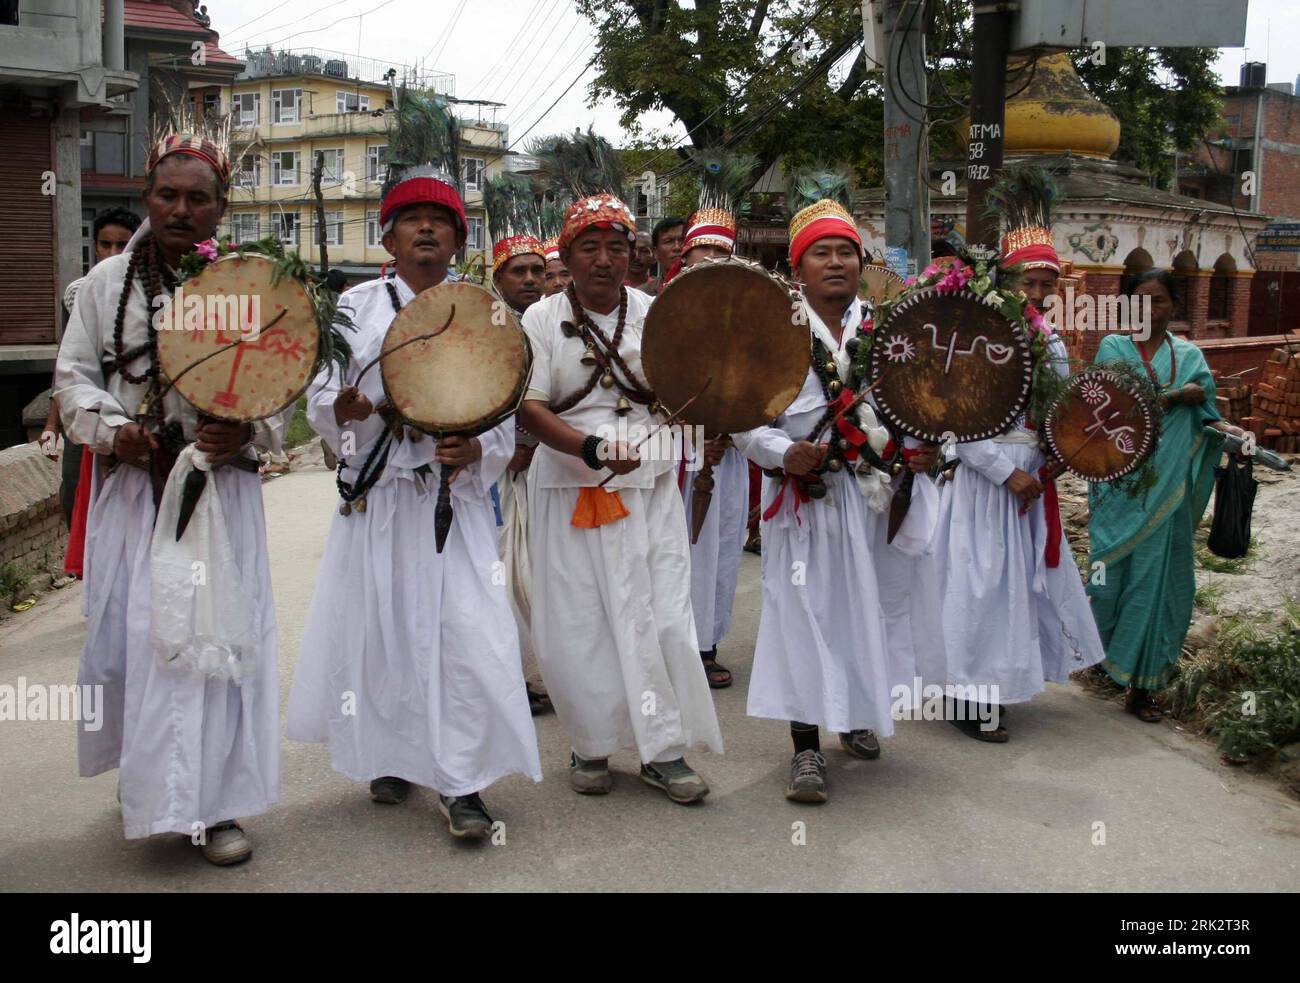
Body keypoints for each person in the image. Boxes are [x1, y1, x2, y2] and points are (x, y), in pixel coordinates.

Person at [287, 90, 541, 841]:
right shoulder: (356, 307)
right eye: (412, 220)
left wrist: (477, 450)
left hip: (453, 504)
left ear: (457, 239)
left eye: (441, 221)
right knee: (385, 633)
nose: (426, 230)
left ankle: (463, 782)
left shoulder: (485, 311)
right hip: (380, 503)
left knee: (468, 633)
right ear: (390, 234)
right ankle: (395, 752)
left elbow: (505, 404)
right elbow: (322, 400)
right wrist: (350, 414)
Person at [54, 127, 281, 865]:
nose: (181, 209)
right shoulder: (102, 288)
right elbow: (73, 381)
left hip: (221, 496)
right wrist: (113, 430)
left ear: (221, 208)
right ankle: (155, 786)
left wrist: (245, 432)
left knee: (217, 640)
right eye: (167, 195)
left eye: (198, 198)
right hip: (134, 494)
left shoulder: (250, 288)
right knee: (140, 643)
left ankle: (214, 806)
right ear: (148, 196)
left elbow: (280, 385)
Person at [517, 190, 722, 804]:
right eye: (589, 247)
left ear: (631, 254)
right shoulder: (539, 319)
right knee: (581, 627)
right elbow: (528, 407)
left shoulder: (656, 311)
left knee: (662, 616)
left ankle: (664, 751)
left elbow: (689, 389)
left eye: (616, 247)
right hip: (570, 490)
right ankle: (591, 745)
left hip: (649, 489)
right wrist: (590, 450)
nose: (604, 260)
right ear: (568, 252)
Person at [733, 190, 904, 803]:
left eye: (846, 252)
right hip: (804, 505)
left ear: (860, 263)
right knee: (801, 620)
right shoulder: (774, 332)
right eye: (821, 253)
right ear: (797, 267)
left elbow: (909, 407)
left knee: (866, 611)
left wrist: (919, 448)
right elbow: (743, 420)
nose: (835, 262)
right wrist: (783, 455)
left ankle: (857, 716)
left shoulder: (884, 330)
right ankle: (805, 749)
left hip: (870, 501)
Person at [930, 167, 1104, 742]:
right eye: (1026, 283)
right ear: (1005, 280)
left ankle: (1000, 685)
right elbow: (956, 422)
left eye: (1043, 284)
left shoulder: (1050, 340)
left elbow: (1056, 411)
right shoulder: (980, 334)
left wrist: (1059, 455)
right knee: (979, 590)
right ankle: (970, 695)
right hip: (985, 483)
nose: (1035, 294)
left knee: (1015, 591)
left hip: (1030, 482)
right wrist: (1006, 473)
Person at [1088, 269, 1245, 721]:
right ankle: (1101, 659)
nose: (1149, 310)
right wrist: (1177, 397)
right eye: (1140, 300)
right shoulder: (1113, 349)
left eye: (1158, 301)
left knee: (1157, 587)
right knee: (1109, 580)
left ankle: (1143, 686)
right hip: (1119, 486)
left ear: (1174, 306)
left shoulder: (1191, 355)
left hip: (1170, 491)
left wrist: (1230, 432)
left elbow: (1207, 418)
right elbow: (1109, 408)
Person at [667, 153, 756, 690]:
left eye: (719, 253)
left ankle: (706, 644)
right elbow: (649, 384)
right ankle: (671, 643)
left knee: (720, 551)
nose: (709, 260)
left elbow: (770, 389)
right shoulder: (660, 314)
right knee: (674, 550)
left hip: (730, 455)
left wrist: (734, 433)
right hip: (673, 457)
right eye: (701, 250)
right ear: (686, 256)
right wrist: (690, 432)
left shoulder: (755, 317)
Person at [483, 172, 552, 714]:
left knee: (541, 577)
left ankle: (543, 674)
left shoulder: (557, 327)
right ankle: (510, 677)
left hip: (548, 471)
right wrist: (512, 444)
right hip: (494, 475)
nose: (530, 279)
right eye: (518, 271)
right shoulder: (483, 330)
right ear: (498, 277)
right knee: (502, 578)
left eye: (536, 270)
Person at [46, 208, 142, 535]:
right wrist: (52, 425)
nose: (112, 252)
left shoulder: (145, 290)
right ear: (95, 245)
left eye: (122, 244)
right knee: (76, 494)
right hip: (90, 416)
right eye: (106, 244)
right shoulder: (79, 291)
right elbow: (69, 364)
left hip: (129, 420)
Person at [638, 215, 685, 296]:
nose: (677, 247)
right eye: (668, 241)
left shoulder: (707, 287)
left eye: (682, 240)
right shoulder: (642, 295)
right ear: (655, 252)